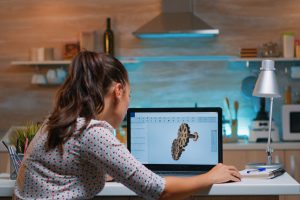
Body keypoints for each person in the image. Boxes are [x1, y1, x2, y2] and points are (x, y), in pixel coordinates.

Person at [14, 51, 241, 200]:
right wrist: (212, 176)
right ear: (118, 91)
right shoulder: (91, 132)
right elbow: (159, 190)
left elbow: (66, 170)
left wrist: (108, 172)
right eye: (129, 96)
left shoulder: (57, 121)